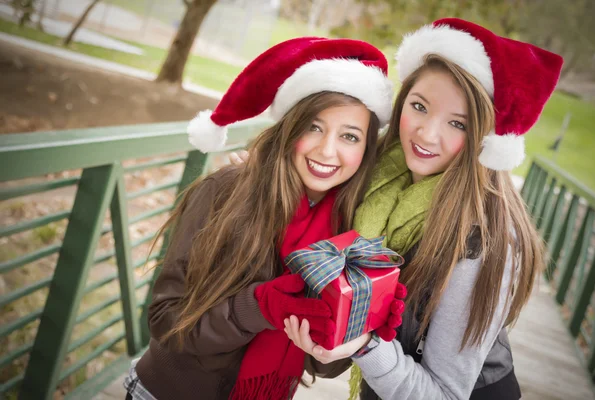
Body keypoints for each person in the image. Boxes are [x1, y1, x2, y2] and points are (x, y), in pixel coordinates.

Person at [281, 18, 563, 399]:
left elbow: (446, 393)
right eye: (419, 106)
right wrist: (266, 172)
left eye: (457, 124)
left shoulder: (484, 240)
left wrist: (363, 345)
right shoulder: (382, 173)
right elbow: (322, 177)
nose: (427, 134)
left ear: (485, 137)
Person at [123, 37, 407, 400]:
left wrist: (354, 326)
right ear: (291, 126)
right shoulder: (227, 192)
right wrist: (257, 307)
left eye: (349, 136)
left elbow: (322, 365)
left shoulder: (349, 229)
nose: (327, 150)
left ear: (365, 151)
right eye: (314, 127)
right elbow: (165, 322)